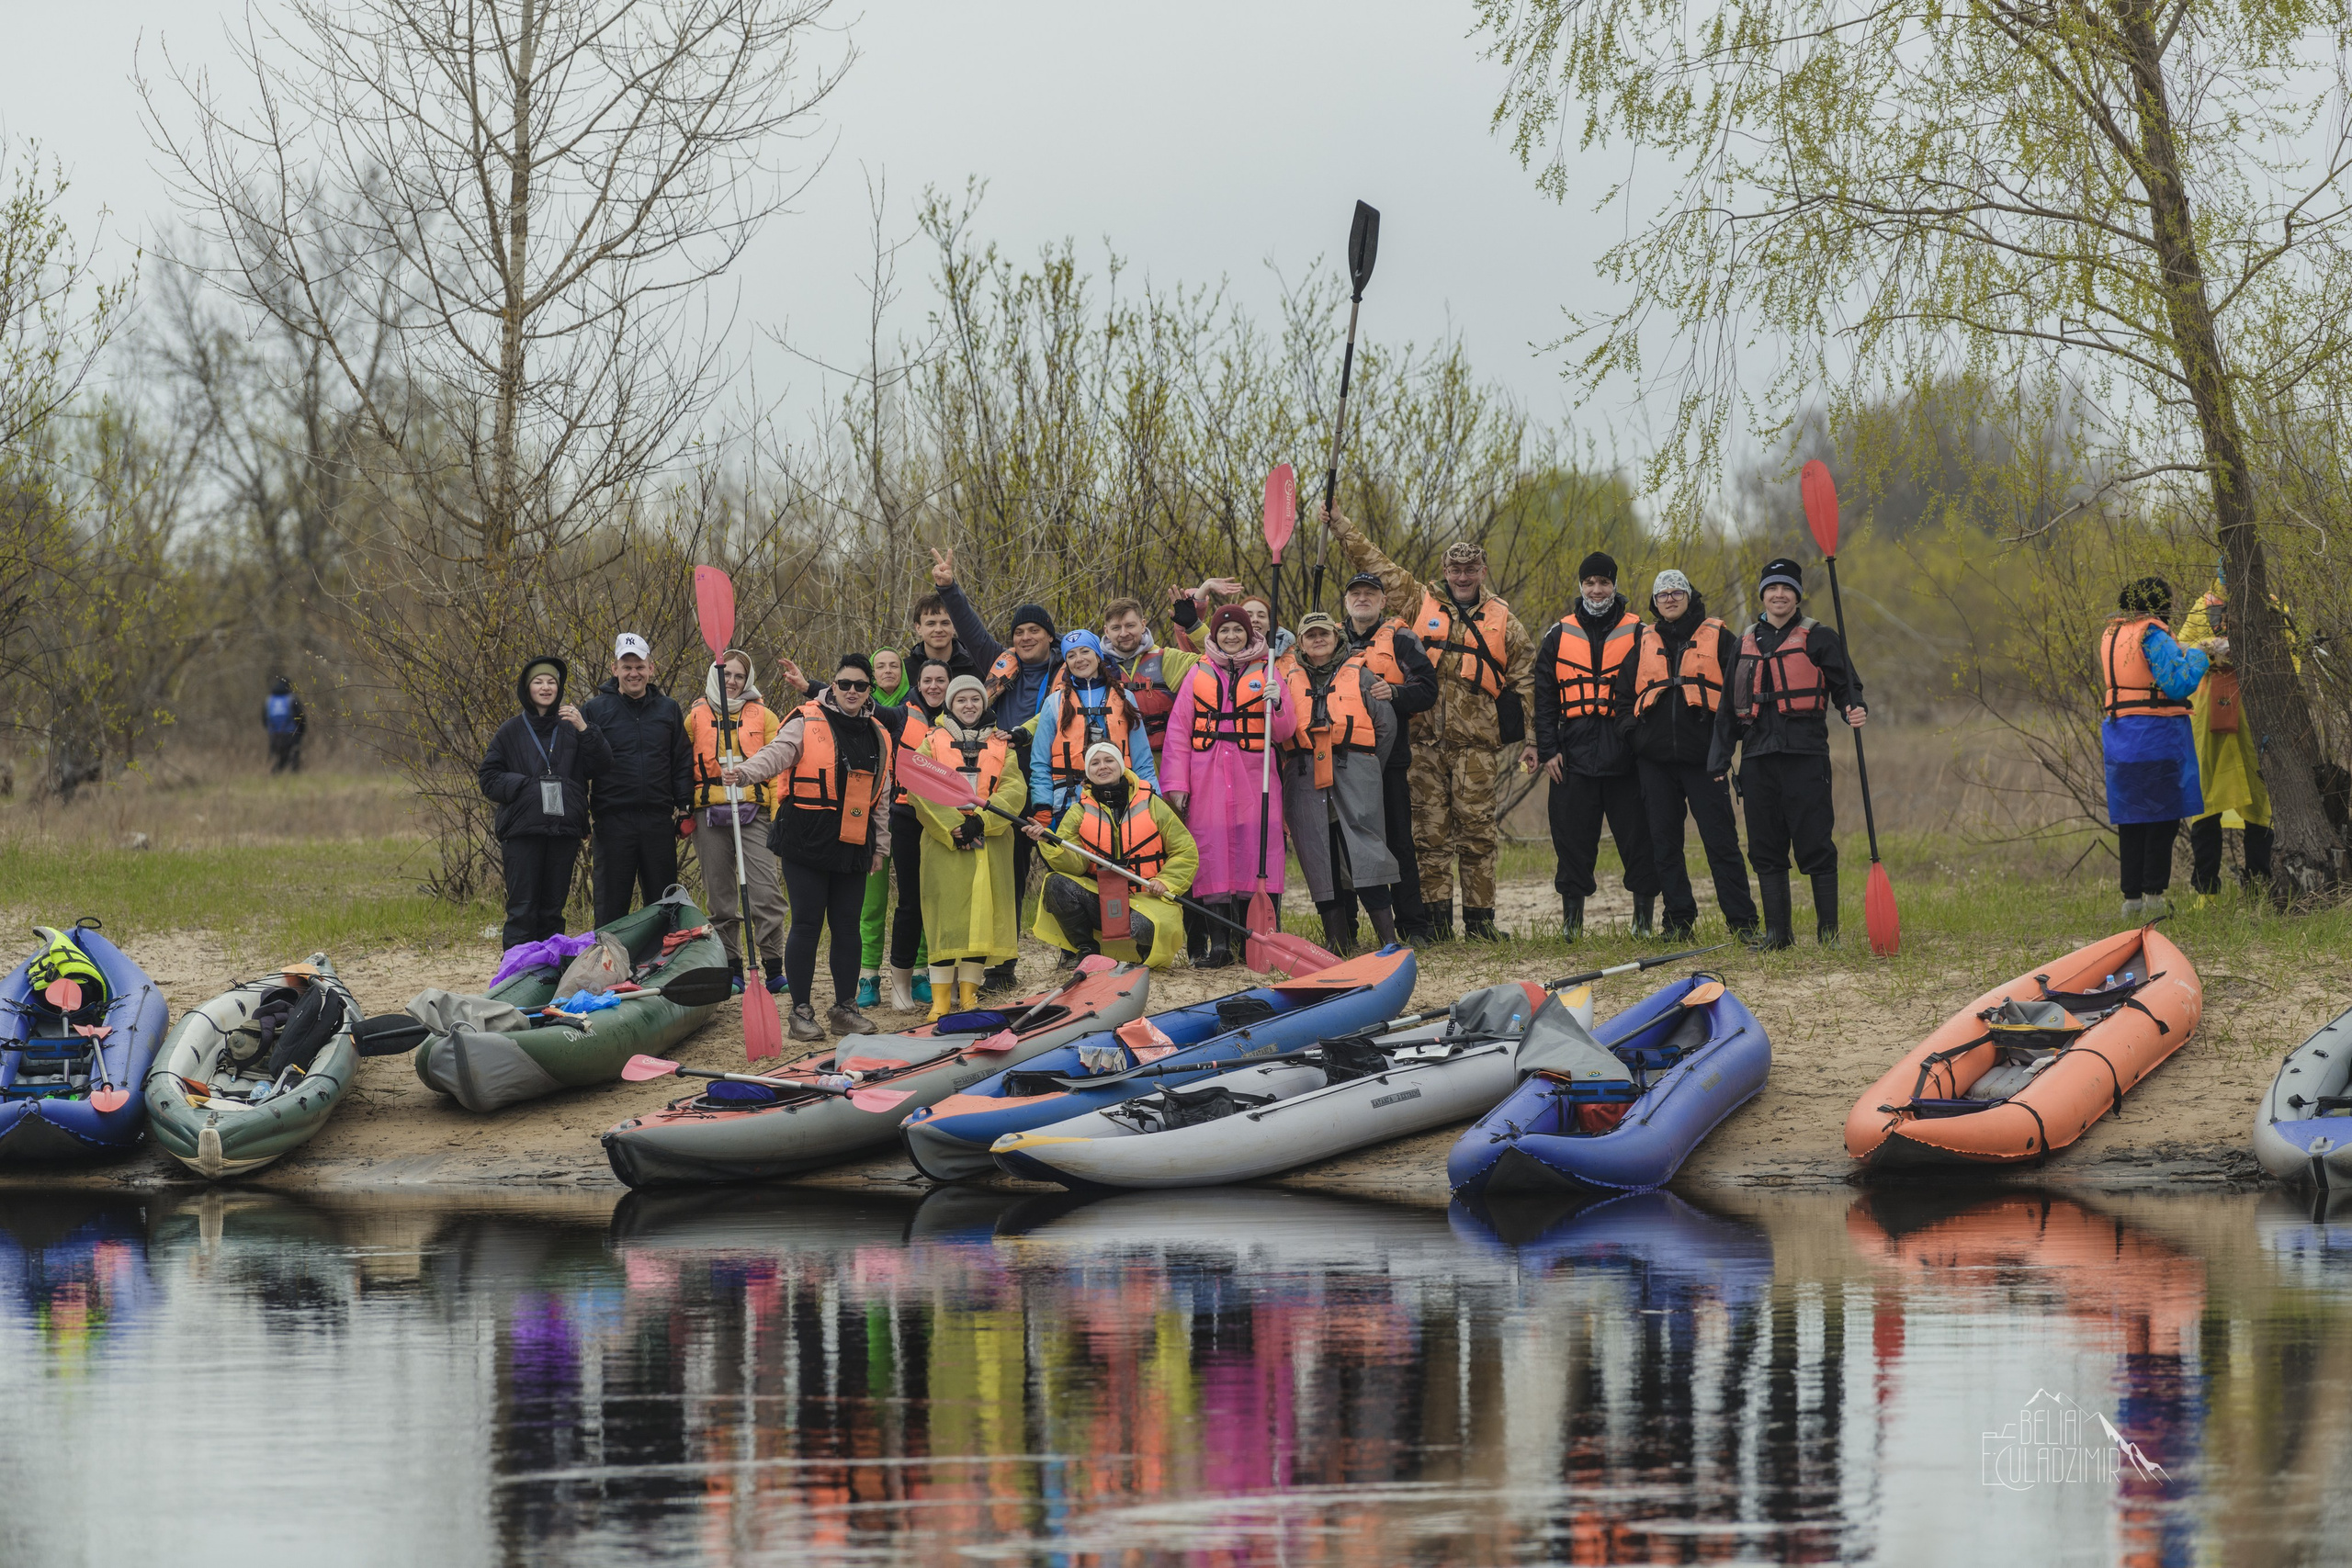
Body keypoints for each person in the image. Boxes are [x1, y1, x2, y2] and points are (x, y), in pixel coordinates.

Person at [1328, 507, 1535, 941]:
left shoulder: (1505, 622)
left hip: (1476, 748)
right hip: (1423, 744)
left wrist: (1534, 740)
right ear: (1444, 570)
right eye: (1455, 569)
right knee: (1428, 838)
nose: (1462, 576)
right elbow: (1373, 562)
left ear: (1482, 570)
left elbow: (1528, 682)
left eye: (1470, 569)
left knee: (1478, 836)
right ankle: (1436, 924)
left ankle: (1481, 923)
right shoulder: (1418, 600)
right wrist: (1341, 526)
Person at [724, 655, 895, 1041]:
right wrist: (746, 771)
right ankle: (801, 1011)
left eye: (860, 685)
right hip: (805, 835)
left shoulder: (880, 735)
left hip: (854, 840)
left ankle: (844, 1008)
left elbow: (881, 798)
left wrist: (880, 848)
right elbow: (777, 753)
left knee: (848, 928)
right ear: (832, 686)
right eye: (844, 684)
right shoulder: (806, 719)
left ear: (869, 691)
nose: (852, 691)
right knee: (806, 923)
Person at [1708, 558, 1869, 948]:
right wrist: (1718, 758)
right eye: (1772, 589)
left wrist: (1852, 707)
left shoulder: (1820, 637)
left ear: (1797, 595)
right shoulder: (1744, 642)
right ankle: (1778, 935)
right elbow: (1729, 708)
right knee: (1764, 845)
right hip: (1758, 757)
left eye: (1786, 589)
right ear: (1762, 595)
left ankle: (1828, 935)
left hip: (1805, 753)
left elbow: (1846, 684)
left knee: (1815, 840)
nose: (1779, 595)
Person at [1613, 570, 1757, 940]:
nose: (1671, 598)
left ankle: (1743, 924)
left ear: (1690, 596)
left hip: (1706, 759)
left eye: (1678, 592)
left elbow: (1742, 691)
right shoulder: (1643, 642)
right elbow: (1624, 698)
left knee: (1721, 842)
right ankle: (1678, 922)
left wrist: (1727, 742)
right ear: (1655, 603)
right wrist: (1635, 736)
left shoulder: (1721, 638)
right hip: (1655, 762)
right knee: (1664, 843)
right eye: (1663, 594)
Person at [1530, 552, 1660, 939]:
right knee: (1571, 841)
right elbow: (1544, 697)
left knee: (1640, 839)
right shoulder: (1558, 634)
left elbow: (1655, 687)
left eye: (1604, 582)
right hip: (1572, 754)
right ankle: (1572, 925)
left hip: (1626, 753)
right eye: (1590, 583)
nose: (1597, 590)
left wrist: (1643, 745)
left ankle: (1642, 923)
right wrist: (1549, 747)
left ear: (1615, 586)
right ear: (1581, 586)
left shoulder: (1641, 631)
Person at [1159, 604, 1296, 966]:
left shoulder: (1268, 672)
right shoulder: (1197, 673)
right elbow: (1178, 732)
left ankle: (1258, 940)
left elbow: (1285, 731)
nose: (1232, 636)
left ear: (1250, 634)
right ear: (1215, 636)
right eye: (1225, 631)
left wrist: (1278, 702)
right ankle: (1219, 945)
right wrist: (1176, 783)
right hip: (1207, 775)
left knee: (1258, 851)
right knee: (1212, 854)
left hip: (1256, 773)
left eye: (1239, 630)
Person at [1277, 612, 1399, 955]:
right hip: (1303, 775)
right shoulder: (1286, 678)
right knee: (1318, 855)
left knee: (1366, 852)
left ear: (1336, 637)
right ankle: (1338, 942)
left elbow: (1385, 726)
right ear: (1299, 642)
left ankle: (1388, 939)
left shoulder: (1360, 675)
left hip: (1354, 770)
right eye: (1310, 635)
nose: (1318, 640)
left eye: (1324, 634)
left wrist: (1368, 766)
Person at [911, 675, 1028, 1018]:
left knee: (981, 921)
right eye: (961, 700)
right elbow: (919, 788)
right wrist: (954, 827)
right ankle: (941, 1001)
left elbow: (1013, 789)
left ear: (984, 703)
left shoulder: (1001, 744)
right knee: (946, 920)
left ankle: (969, 996)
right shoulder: (931, 742)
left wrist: (981, 820)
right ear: (950, 704)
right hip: (944, 841)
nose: (969, 705)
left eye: (975, 700)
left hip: (989, 838)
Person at [1026, 741, 1200, 968]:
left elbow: (1185, 850)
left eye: (1109, 760)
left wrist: (1166, 881)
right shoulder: (1078, 812)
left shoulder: (1152, 804)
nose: (1103, 767)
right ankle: (1087, 951)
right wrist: (1049, 842)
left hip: (1147, 898)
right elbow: (1075, 866)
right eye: (1095, 763)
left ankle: (1142, 955)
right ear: (1088, 771)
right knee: (1056, 884)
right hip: (1103, 898)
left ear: (1120, 765)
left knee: (1142, 926)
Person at [1338, 570, 1441, 942]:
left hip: (1388, 761)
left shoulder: (1401, 639)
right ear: (1346, 601)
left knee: (1398, 843)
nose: (1362, 598)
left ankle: (1414, 927)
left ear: (1383, 601)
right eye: (1355, 593)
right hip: (1341, 764)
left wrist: (1394, 693)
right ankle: (1344, 932)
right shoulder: (1329, 639)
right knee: (1344, 847)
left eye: (1370, 593)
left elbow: (1428, 690)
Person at [480, 658, 611, 948]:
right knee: (522, 910)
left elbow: (603, 763)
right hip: (522, 833)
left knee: (553, 912)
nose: (546, 687)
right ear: (527, 689)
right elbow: (488, 778)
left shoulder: (571, 728)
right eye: (539, 682)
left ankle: (550, 975)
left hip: (562, 832)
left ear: (559, 688)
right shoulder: (510, 730)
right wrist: (527, 788)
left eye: (551, 682)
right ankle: (517, 977)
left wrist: (585, 729)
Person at [2097, 577, 2207, 919]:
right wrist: (2202, 654)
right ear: (2160, 605)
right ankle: (2155, 898)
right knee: (2162, 819)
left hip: (2120, 737)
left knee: (2131, 819)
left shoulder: (2113, 633)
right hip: (2156, 736)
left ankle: (2131, 901)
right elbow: (2177, 684)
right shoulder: (2153, 634)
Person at [683, 649, 787, 995]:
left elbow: (777, 767)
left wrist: (777, 812)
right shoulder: (694, 717)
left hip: (754, 811)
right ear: (716, 677)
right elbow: (682, 766)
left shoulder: (765, 716)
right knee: (721, 898)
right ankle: (733, 969)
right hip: (709, 814)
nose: (732, 681)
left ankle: (773, 967)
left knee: (765, 893)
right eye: (726, 675)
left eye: (739, 676)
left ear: (748, 679)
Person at [582, 632, 693, 929]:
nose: (634, 673)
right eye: (627, 666)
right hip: (612, 823)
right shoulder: (594, 711)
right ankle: (610, 967)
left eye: (640, 666)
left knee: (663, 905)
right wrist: (581, 816)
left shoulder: (668, 709)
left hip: (657, 822)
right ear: (614, 668)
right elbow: (579, 767)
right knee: (610, 907)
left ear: (651, 668)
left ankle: (660, 968)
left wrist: (684, 808)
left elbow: (681, 760)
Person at [2178, 578, 2276, 897]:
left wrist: (2246, 651)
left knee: (2259, 800)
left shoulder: (2269, 603)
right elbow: (2183, 649)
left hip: (2253, 713)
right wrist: (2212, 648)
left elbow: (2286, 654)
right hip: (2208, 715)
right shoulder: (2202, 605)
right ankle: (2206, 889)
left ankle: (2258, 886)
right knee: (2206, 802)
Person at [1031, 629, 1159, 822]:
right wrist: (1042, 806)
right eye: (1071, 655)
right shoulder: (1054, 702)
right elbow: (1040, 761)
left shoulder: (1125, 698)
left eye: (1085, 651)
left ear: (1098, 656)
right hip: (1068, 804)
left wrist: (1154, 799)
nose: (1079, 659)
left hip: (1122, 802)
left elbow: (1142, 760)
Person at [1101, 595, 1206, 759]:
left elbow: (1219, 659)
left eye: (1130, 625)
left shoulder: (1167, 659)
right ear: (1106, 631)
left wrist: (1194, 626)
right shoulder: (1095, 667)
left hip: (1166, 761)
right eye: (1116, 628)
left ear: (1143, 625)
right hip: (1117, 766)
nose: (1124, 633)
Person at [908, 591, 984, 682]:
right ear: (918, 627)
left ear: (955, 626)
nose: (938, 629)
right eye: (931, 624)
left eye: (945, 623)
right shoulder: (905, 671)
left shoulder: (978, 667)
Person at [265, 677, 308, 774]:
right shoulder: (292, 699)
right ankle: (293, 780)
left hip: (274, 735)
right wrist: (301, 732)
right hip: (291, 734)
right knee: (293, 760)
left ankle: (275, 780)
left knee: (277, 760)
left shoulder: (269, 700)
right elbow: (300, 717)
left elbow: (264, 719)